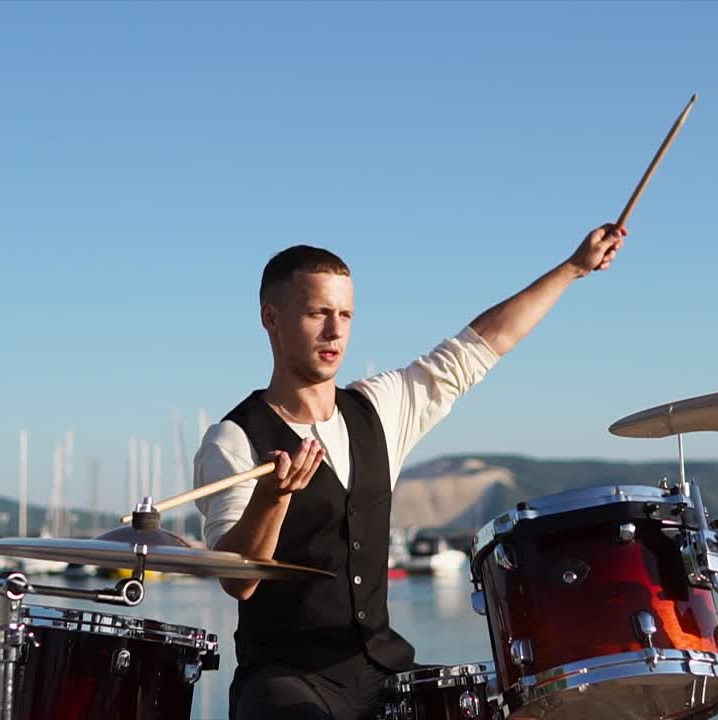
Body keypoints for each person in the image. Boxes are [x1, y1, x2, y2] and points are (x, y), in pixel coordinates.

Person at [193, 223, 627, 720]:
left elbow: (484, 343)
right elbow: (238, 581)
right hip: (286, 681)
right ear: (271, 318)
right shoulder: (232, 440)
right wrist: (273, 498)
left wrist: (572, 268)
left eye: (346, 315)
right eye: (318, 313)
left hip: (383, 672)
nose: (335, 331)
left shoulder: (380, 408)